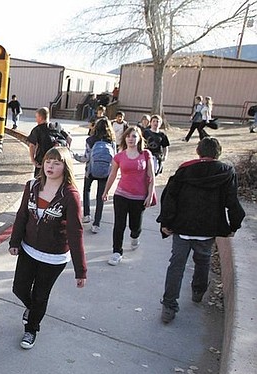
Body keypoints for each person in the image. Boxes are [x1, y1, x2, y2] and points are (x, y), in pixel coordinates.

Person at [157, 137, 245, 323]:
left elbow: (170, 197)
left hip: (182, 227)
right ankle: (198, 290)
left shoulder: (185, 170)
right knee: (203, 261)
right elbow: (232, 202)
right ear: (218, 153)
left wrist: (166, 222)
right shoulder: (226, 172)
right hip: (207, 229)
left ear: (198, 151)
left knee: (176, 266)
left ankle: (169, 306)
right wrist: (233, 225)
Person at [9, 146, 87, 349]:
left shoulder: (70, 195)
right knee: (19, 288)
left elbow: (75, 232)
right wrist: (15, 241)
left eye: (57, 163)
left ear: (65, 166)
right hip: (28, 249)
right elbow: (21, 216)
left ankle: (31, 329)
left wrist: (81, 270)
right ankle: (33, 308)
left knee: (41, 295)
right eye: (47, 161)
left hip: (54, 257)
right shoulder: (32, 185)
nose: (50, 166)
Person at [102, 126, 156, 266]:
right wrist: (106, 191)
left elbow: (151, 175)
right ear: (125, 138)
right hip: (121, 194)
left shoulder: (145, 154)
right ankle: (116, 252)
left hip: (139, 197)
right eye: (128, 136)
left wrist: (150, 195)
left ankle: (135, 236)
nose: (131, 139)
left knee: (135, 225)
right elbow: (112, 174)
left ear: (139, 139)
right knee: (119, 224)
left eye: (134, 136)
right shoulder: (119, 156)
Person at [73, 117, 116, 234]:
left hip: (90, 171)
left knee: (86, 190)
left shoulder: (90, 140)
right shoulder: (111, 142)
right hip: (105, 173)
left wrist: (75, 156)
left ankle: (87, 215)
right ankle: (96, 223)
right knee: (100, 197)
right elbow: (114, 159)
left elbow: (86, 157)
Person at [27, 107, 72, 177]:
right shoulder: (57, 126)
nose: (36, 119)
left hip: (42, 162)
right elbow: (69, 138)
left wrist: (33, 160)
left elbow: (32, 145)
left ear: (40, 117)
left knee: (40, 183)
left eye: (36, 117)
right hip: (59, 161)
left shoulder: (37, 130)